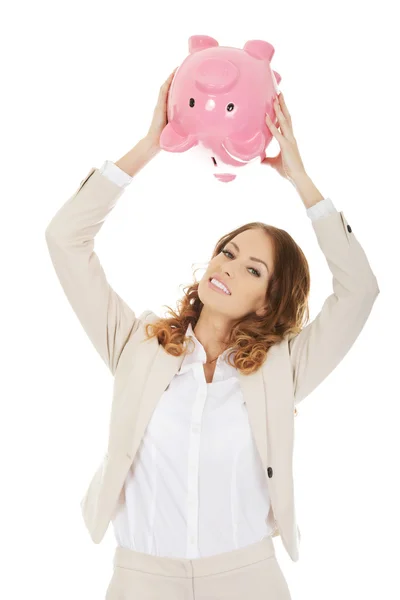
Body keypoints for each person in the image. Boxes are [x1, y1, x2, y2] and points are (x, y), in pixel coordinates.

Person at [45, 70, 380, 599]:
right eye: (228, 252)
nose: (229, 266)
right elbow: (64, 239)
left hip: (247, 577)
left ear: (269, 301)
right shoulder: (138, 346)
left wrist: (299, 176)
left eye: (253, 269)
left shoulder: (282, 370)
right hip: (141, 578)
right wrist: (151, 145)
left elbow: (360, 290)